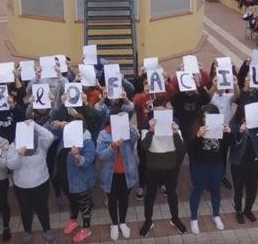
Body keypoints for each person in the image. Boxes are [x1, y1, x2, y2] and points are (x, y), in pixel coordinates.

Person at [138, 98, 187, 237]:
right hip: (153, 167)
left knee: (172, 194)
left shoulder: (174, 125)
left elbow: (180, 146)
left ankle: (175, 219)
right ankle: (148, 221)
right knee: (150, 196)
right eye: (157, 112)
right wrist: (151, 131)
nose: (160, 115)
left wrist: (175, 133)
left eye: (163, 111)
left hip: (170, 166)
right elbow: (144, 146)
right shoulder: (147, 124)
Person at [7, 119, 57, 244]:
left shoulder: (41, 143)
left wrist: (34, 125)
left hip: (41, 183)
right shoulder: (14, 145)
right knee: (25, 210)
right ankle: (27, 231)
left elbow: (50, 136)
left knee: (42, 209)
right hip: (21, 186)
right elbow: (11, 166)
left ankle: (47, 230)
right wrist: (19, 154)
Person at [188, 104, 231, 234]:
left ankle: (216, 215)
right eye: (204, 116)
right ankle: (193, 218)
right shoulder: (197, 127)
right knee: (197, 190)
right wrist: (197, 135)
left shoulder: (220, 127)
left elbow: (230, 145)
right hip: (200, 164)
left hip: (216, 164)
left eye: (210, 116)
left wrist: (229, 134)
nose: (207, 119)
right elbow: (189, 148)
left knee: (216, 190)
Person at [97, 114, 139, 241]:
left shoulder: (126, 131)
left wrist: (128, 125)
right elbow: (100, 155)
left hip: (127, 174)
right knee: (112, 200)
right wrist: (112, 147)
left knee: (124, 199)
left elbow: (136, 136)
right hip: (110, 176)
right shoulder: (103, 134)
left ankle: (123, 222)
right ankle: (114, 224)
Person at [228, 103, 258, 224]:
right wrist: (240, 131)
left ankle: (248, 210)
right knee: (238, 189)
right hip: (238, 162)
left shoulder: (256, 123)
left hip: (253, 161)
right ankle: (238, 211)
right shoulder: (234, 124)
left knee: (252, 188)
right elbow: (232, 142)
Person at [55, 117, 96, 243]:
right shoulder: (65, 136)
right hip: (66, 181)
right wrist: (57, 125)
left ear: (82, 129)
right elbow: (49, 131)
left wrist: (77, 156)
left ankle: (86, 228)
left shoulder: (88, 142)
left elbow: (88, 160)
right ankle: (73, 220)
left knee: (85, 207)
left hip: (81, 184)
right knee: (72, 203)